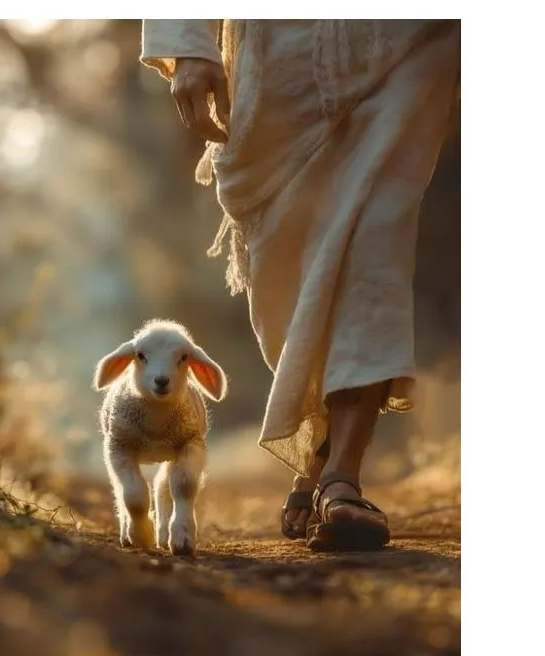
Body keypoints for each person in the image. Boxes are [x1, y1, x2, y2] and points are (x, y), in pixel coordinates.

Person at [139, 20, 460, 551]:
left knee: (377, 238)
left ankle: (342, 478)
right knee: (288, 269)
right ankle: (317, 460)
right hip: (277, 48)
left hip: (409, 37)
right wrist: (187, 41)